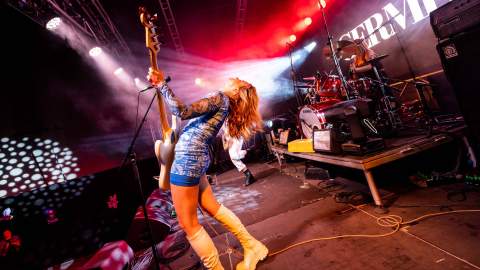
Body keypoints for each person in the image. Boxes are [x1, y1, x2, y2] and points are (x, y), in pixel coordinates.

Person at [148, 69, 268, 270]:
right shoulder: (223, 102)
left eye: (240, 79)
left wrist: (161, 84)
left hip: (187, 159)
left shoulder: (219, 97)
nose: (235, 76)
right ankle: (252, 246)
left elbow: (182, 111)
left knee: (189, 225)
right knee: (211, 206)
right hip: (195, 156)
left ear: (237, 90)